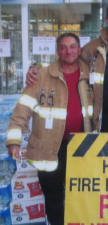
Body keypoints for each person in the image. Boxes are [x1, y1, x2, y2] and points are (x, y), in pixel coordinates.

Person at [26, 1, 108, 132]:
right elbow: (68, 61)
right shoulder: (93, 48)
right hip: (104, 123)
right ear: (107, 20)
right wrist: (38, 67)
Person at [6, 33, 93, 225]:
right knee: (53, 200)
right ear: (57, 51)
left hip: (81, 149)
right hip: (49, 150)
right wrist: (14, 142)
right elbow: (22, 110)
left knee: (79, 198)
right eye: (63, 47)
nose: (68, 51)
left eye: (72, 46)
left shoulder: (90, 74)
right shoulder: (41, 76)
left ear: (79, 50)